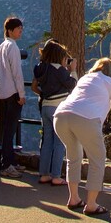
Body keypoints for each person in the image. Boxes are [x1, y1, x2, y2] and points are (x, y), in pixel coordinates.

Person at [53, 57, 111, 216]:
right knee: (97, 159)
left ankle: (74, 198)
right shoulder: (110, 81)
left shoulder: (85, 78)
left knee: (74, 156)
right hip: (86, 118)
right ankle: (92, 204)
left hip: (60, 116)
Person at [32, 39, 77, 185]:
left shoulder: (40, 68)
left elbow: (34, 86)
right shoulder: (59, 70)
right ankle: (56, 175)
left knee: (47, 141)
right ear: (59, 56)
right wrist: (73, 71)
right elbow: (73, 85)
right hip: (58, 108)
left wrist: (43, 94)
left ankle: (43, 174)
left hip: (45, 107)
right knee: (59, 142)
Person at [0, 16, 26, 178]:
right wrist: (21, 94)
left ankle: (10, 161)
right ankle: (7, 164)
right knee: (10, 130)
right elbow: (17, 73)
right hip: (13, 94)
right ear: (10, 30)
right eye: (18, 29)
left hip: (2, 94)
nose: (20, 32)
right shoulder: (13, 48)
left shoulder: (1, 47)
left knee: (7, 130)